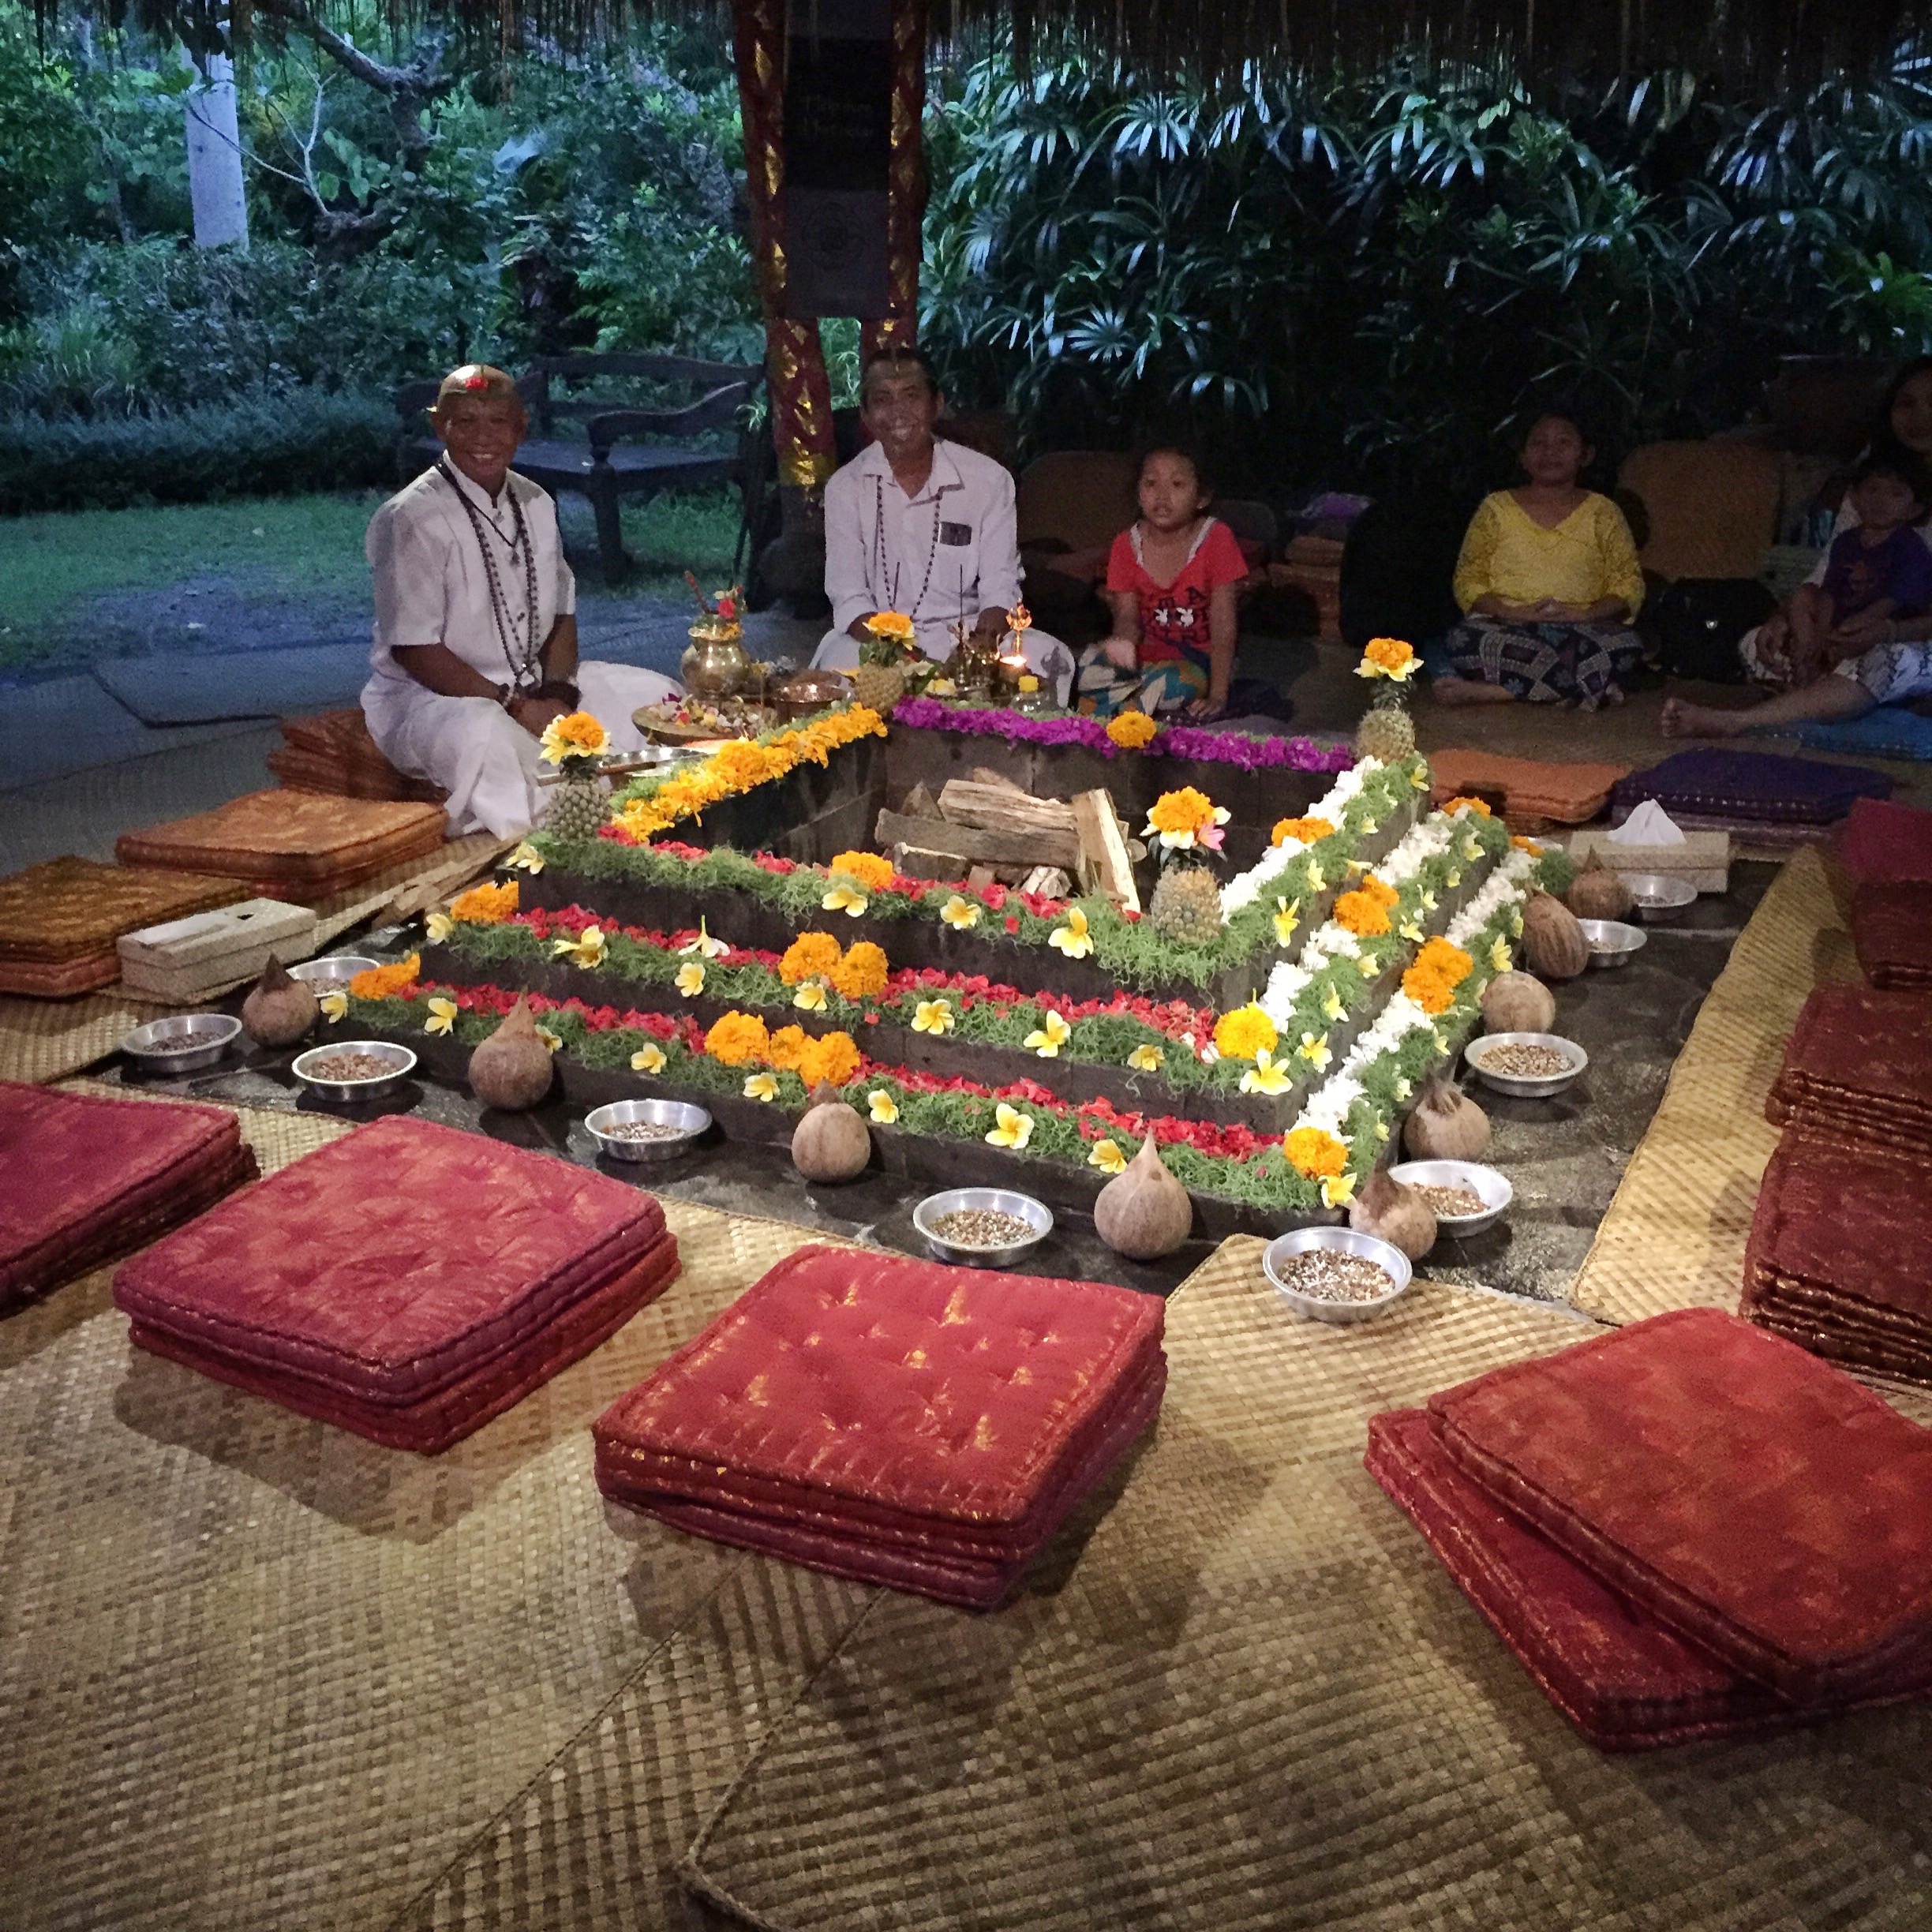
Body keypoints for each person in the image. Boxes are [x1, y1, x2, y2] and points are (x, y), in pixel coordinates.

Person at [361, 365, 680, 838]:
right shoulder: (410, 517)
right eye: (465, 422)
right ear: (439, 427)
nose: (483, 437)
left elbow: (562, 613)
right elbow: (415, 650)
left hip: (533, 686)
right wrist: (515, 705)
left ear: (521, 428)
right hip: (437, 701)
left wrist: (557, 692)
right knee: (489, 741)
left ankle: (647, 812)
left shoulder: (536, 502)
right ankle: (556, 840)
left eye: (498, 422)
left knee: (655, 698)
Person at [1664, 358, 1932, 738]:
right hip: (1843, 633)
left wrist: (1887, 631)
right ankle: (1834, 696)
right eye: (1907, 404)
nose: (1919, 416)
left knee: (1885, 660)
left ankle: (1739, 721)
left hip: (1906, 638)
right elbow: (1824, 577)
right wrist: (1784, 620)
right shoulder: (1868, 490)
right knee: (1760, 645)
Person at [813, 346, 1073, 702]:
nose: (898, 412)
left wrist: (976, 652)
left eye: (911, 396)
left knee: (1050, 660)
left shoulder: (987, 480)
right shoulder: (847, 487)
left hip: (968, 637)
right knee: (832, 674)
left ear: (937, 403)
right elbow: (849, 596)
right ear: (867, 415)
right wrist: (899, 657)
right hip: (879, 645)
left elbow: (1001, 583)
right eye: (882, 399)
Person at [1435, 410, 1647, 710]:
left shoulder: (1604, 512)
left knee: (1626, 646)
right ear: (1522, 456)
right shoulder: (1496, 508)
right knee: (1464, 640)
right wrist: (1514, 612)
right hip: (1509, 626)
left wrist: (1584, 616)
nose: (1550, 452)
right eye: (1539, 443)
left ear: (1585, 455)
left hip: (1581, 629)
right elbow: (1468, 579)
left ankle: (1497, 692)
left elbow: (1628, 583)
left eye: (1563, 443)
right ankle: (1592, 684)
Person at [1075, 444, 1247, 720]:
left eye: (1177, 484)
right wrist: (1122, 646)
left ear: (1202, 497)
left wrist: (1218, 695)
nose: (1162, 496)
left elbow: (1224, 626)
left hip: (1195, 661)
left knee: (1172, 684)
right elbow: (1127, 616)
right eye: (1151, 483)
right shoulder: (1126, 544)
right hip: (1148, 657)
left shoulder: (1217, 539)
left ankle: (1121, 715)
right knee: (1087, 667)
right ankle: (1122, 710)